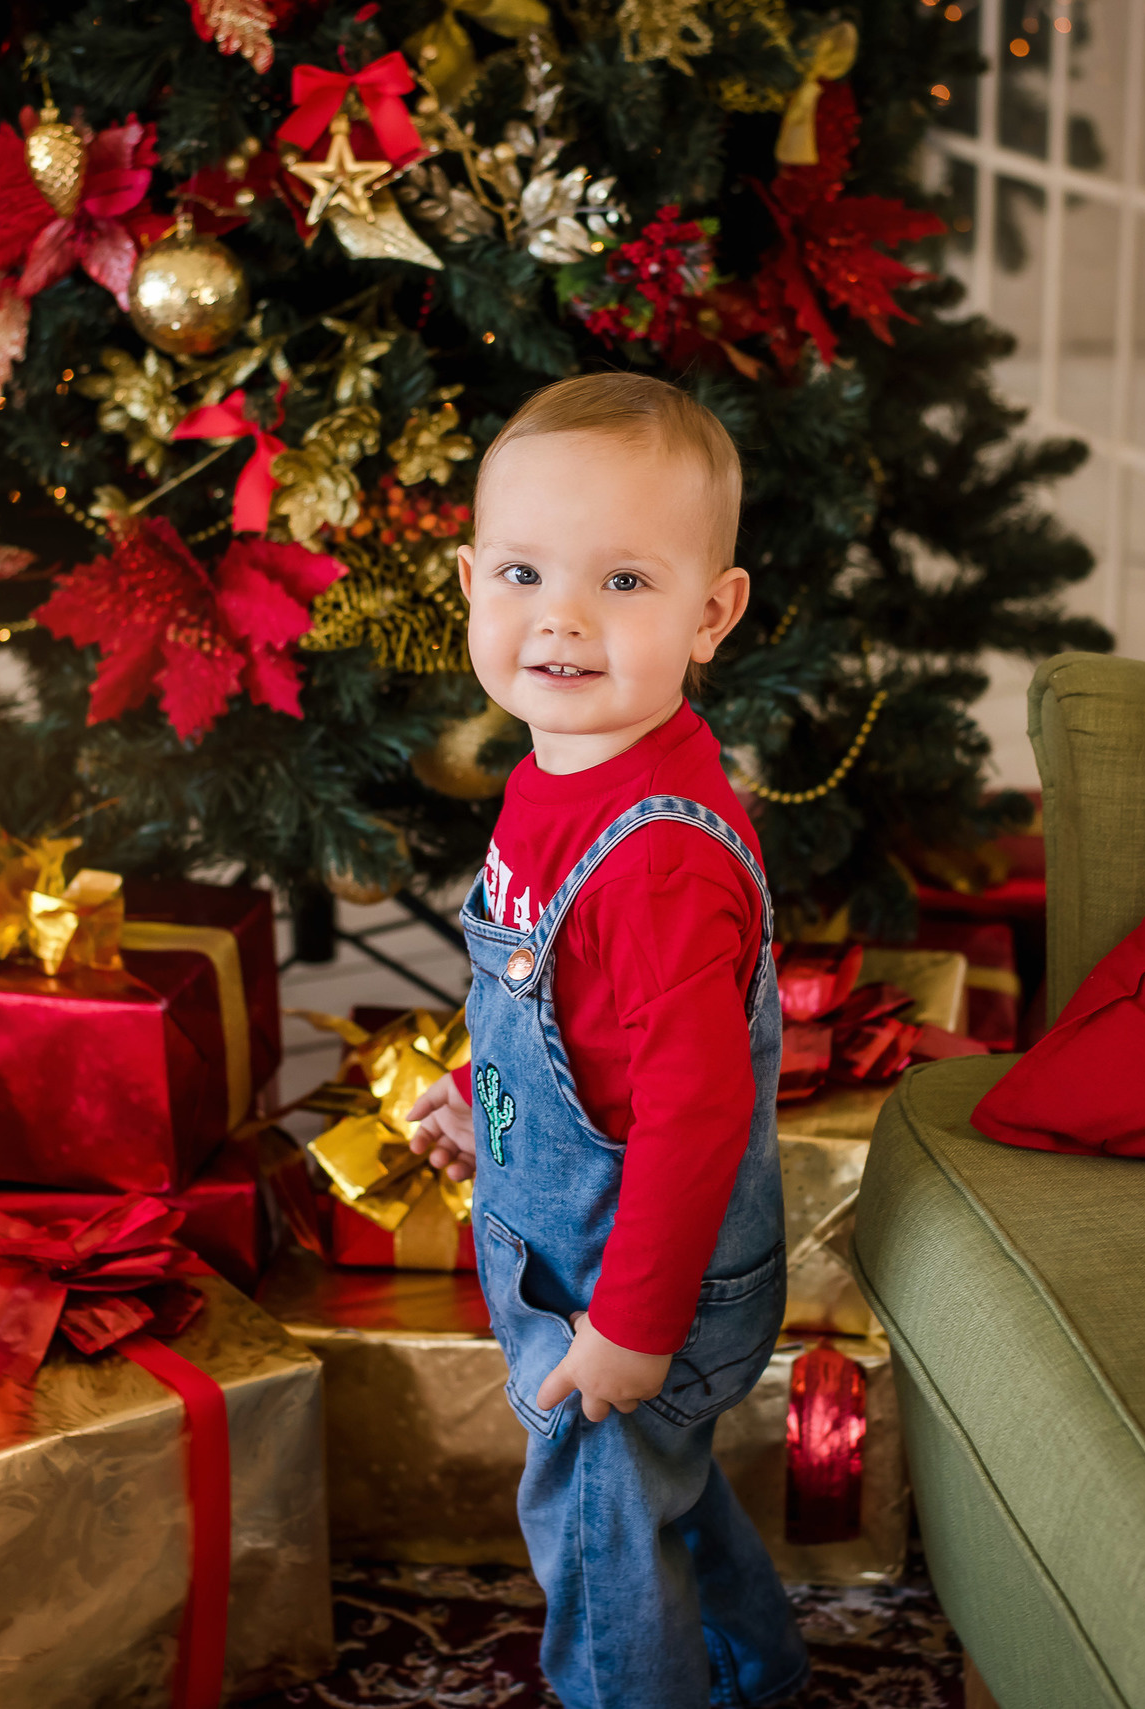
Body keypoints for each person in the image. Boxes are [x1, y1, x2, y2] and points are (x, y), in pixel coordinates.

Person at [405, 372, 809, 1709]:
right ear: (469, 580)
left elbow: (691, 1118)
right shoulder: (554, 770)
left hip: (636, 1281)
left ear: (712, 614)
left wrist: (632, 1328)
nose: (561, 617)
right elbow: (553, 1013)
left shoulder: (655, 863)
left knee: (598, 1536)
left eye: (625, 583)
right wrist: (486, 1103)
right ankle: (757, 1669)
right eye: (521, 570)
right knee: (661, 1494)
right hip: (579, 1231)